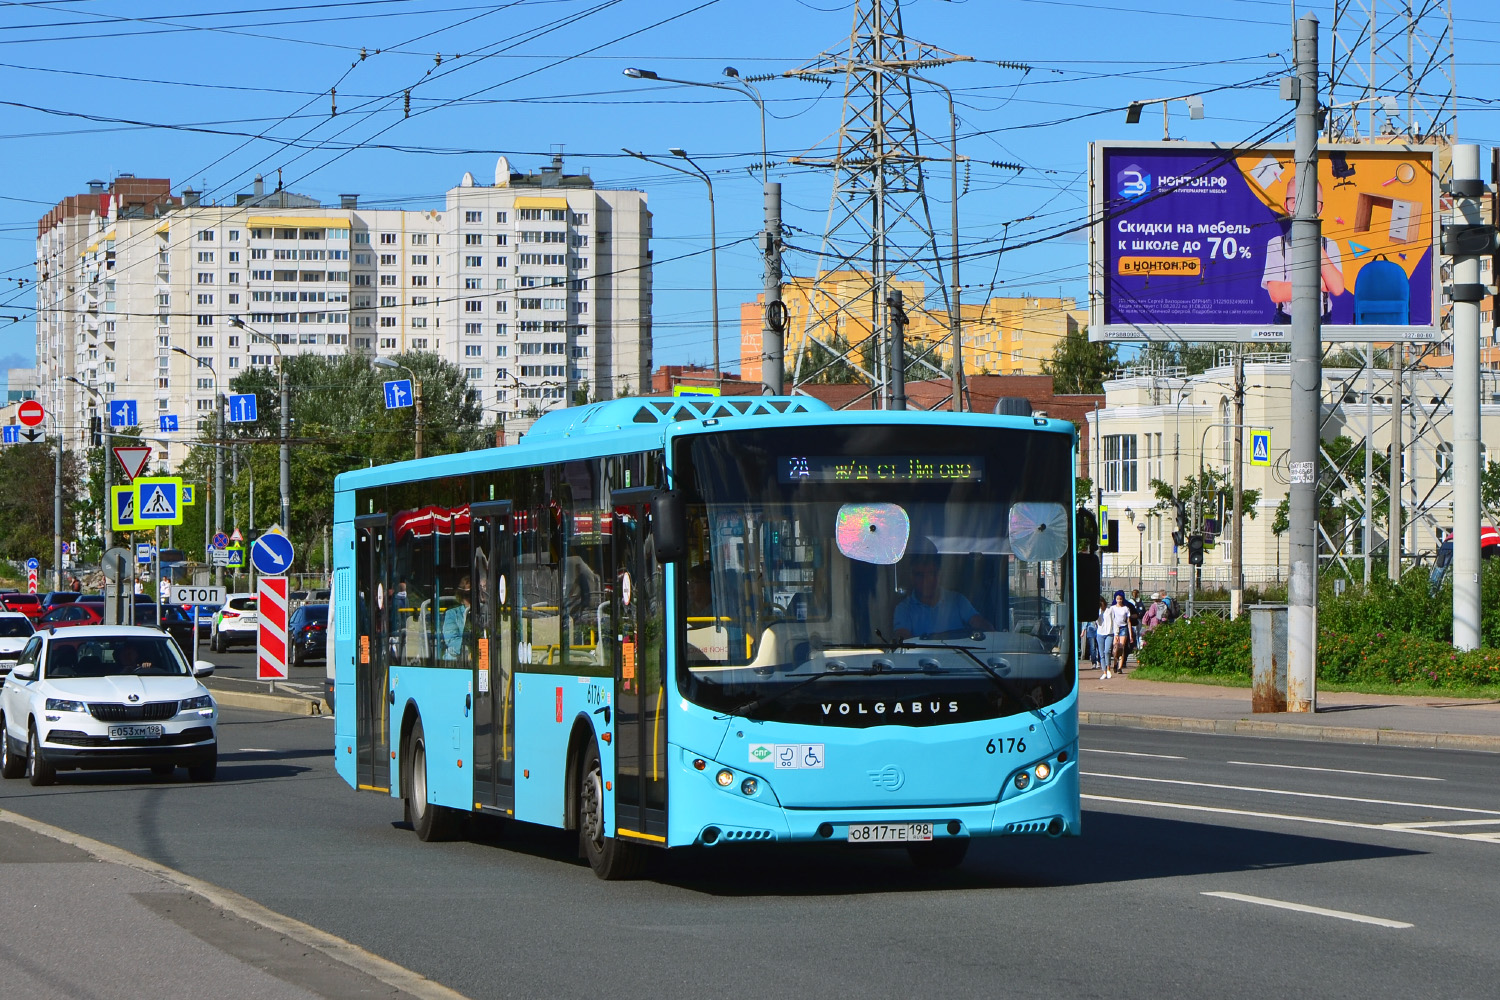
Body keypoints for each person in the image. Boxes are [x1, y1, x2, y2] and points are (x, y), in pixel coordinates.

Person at [1261, 178, 1345, 323]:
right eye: (1295, 202)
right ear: (1286, 206)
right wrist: (1320, 283)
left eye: (1310, 203)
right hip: (1286, 320)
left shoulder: (1329, 245)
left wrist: (1315, 244)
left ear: (1320, 208)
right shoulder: (1276, 245)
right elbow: (1277, 293)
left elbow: (1337, 288)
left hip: (1322, 320)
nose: (1302, 209)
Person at [893, 551, 992, 641]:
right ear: (912, 577)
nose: (926, 581)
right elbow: (903, 639)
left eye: (931, 574)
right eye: (920, 575)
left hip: (962, 658)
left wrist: (990, 634)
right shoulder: (903, 608)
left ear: (940, 575)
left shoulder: (957, 600)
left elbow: (982, 625)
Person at [1099, 590, 1133, 679]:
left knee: (1121, 647)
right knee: (1115, 647)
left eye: (1121, 599)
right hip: (1114, 628)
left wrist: (1131, 634)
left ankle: (1120, 667)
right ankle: (1114, 663)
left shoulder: (1126, 608)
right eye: (1117, 599)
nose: (1119, 600)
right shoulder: (1112, 608)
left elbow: (1128, 621)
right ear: (1115, 599)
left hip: (1124, 628)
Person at [442, 576, 471, 662]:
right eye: (468, 595)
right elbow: (451, 640)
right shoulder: (452, 614)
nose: (471, 598)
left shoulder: (485, 612)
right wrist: (472, 647)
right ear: (461, 595)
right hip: (457, 659)